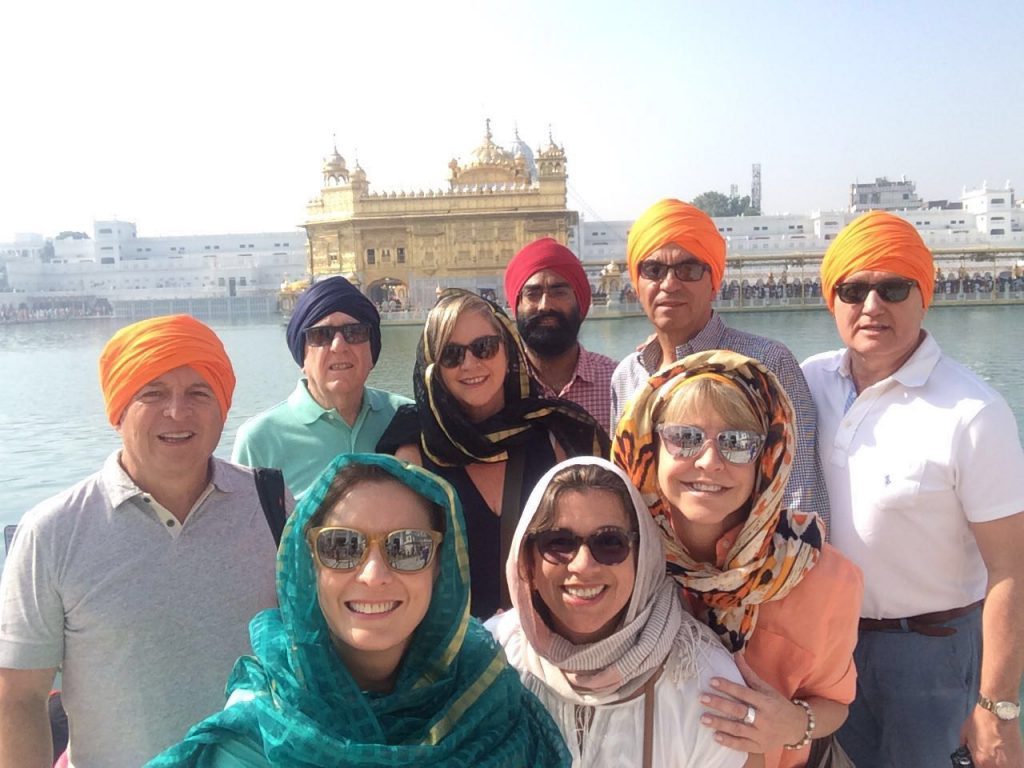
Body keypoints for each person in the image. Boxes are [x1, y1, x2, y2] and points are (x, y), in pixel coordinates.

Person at [147, 453, 570, 768]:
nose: (373, 574)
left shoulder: (490, 699)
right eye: (341, 546)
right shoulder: (257, 736)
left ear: (441, 568)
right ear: (309, 563)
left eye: (407, 547)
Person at [0, 315, 283, 768]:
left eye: (198, 392)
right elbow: (20, 698)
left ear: (223, 407)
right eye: (152, 393)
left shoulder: (272, 504)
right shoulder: (52, 532)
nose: (177, 412)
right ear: (118, 410)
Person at [801, 210, 1024, 767]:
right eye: (853, 290)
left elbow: (1011, 570)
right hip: (826, 645)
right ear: (833, 300)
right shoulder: (807, 383)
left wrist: (996, 707)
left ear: (924, 295)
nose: (871, 306)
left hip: (930, 656)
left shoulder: (972, 412)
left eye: (892, 287)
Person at [613, 350, 862, 768]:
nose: (710, 462)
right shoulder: (616, 559)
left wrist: (794, 723)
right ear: (651, 448)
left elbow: (835, 703)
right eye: (685, 438)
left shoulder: (822, 576)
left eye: (738, 443)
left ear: (767, 458)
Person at [490, 456, 753, 768]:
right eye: (558, 542)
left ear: (643, 559)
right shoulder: (490, 662)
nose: (583, 565)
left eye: (610, 542)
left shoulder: (703, 680)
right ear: (528, 563)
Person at [377, 288, 609, 618]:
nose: (471, 364)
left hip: (545, 643)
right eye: (452, 355)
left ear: (508, 350)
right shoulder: (417, 452)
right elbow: (399, 570)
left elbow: (592, 547)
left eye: (484, 348)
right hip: (456, 653)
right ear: (434, 368)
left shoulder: (553, 434)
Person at [609, 199, 829, 528]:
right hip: (655, 571)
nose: (669, 284)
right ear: (636, 284)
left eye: (688, 269)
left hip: (752, 571)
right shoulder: (628, 375)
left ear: (714, 282)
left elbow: (798, 498)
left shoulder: (766, 363)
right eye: (653, 270)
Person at [232, 276, 411, 499]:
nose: (339, 346)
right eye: (321, 335)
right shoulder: (261, 440)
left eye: (354, 332)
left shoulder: (407, 418)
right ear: (302, 357)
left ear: (372, 353)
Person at [504, 237, 617, 429]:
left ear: (579, 302)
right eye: (533, 294)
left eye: (559, 292)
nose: (545, 305)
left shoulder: (616, 382)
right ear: (517, 305)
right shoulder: (499, 385)